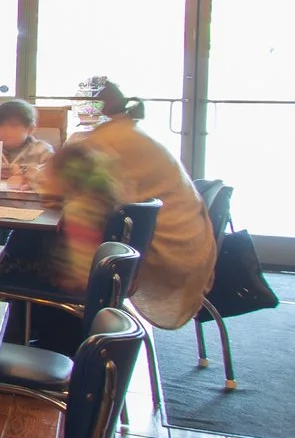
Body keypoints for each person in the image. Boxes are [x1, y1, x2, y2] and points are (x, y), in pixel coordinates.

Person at [76, 77, 218, 329]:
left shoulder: (111, 139)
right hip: (186, 238)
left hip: (160, 248)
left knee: (47, 247)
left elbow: (76, 189)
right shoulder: (129, 130)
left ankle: (50, 327)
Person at [0, 98, 56, 187]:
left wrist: (27, 177)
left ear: (30, 129)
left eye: (14, 125)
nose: (6, 130)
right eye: (0, 125)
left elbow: (55, 179)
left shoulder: (42, 150)